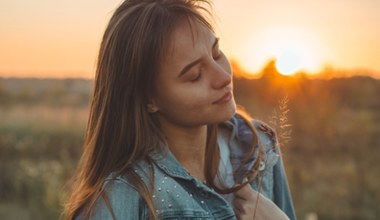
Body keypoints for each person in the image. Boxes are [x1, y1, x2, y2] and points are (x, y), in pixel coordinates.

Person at [64, 0, 296, 219]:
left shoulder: (258, 146)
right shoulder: (121, 199)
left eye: (216, 54)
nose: (224, 77)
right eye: (195, 76)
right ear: (149, 99)